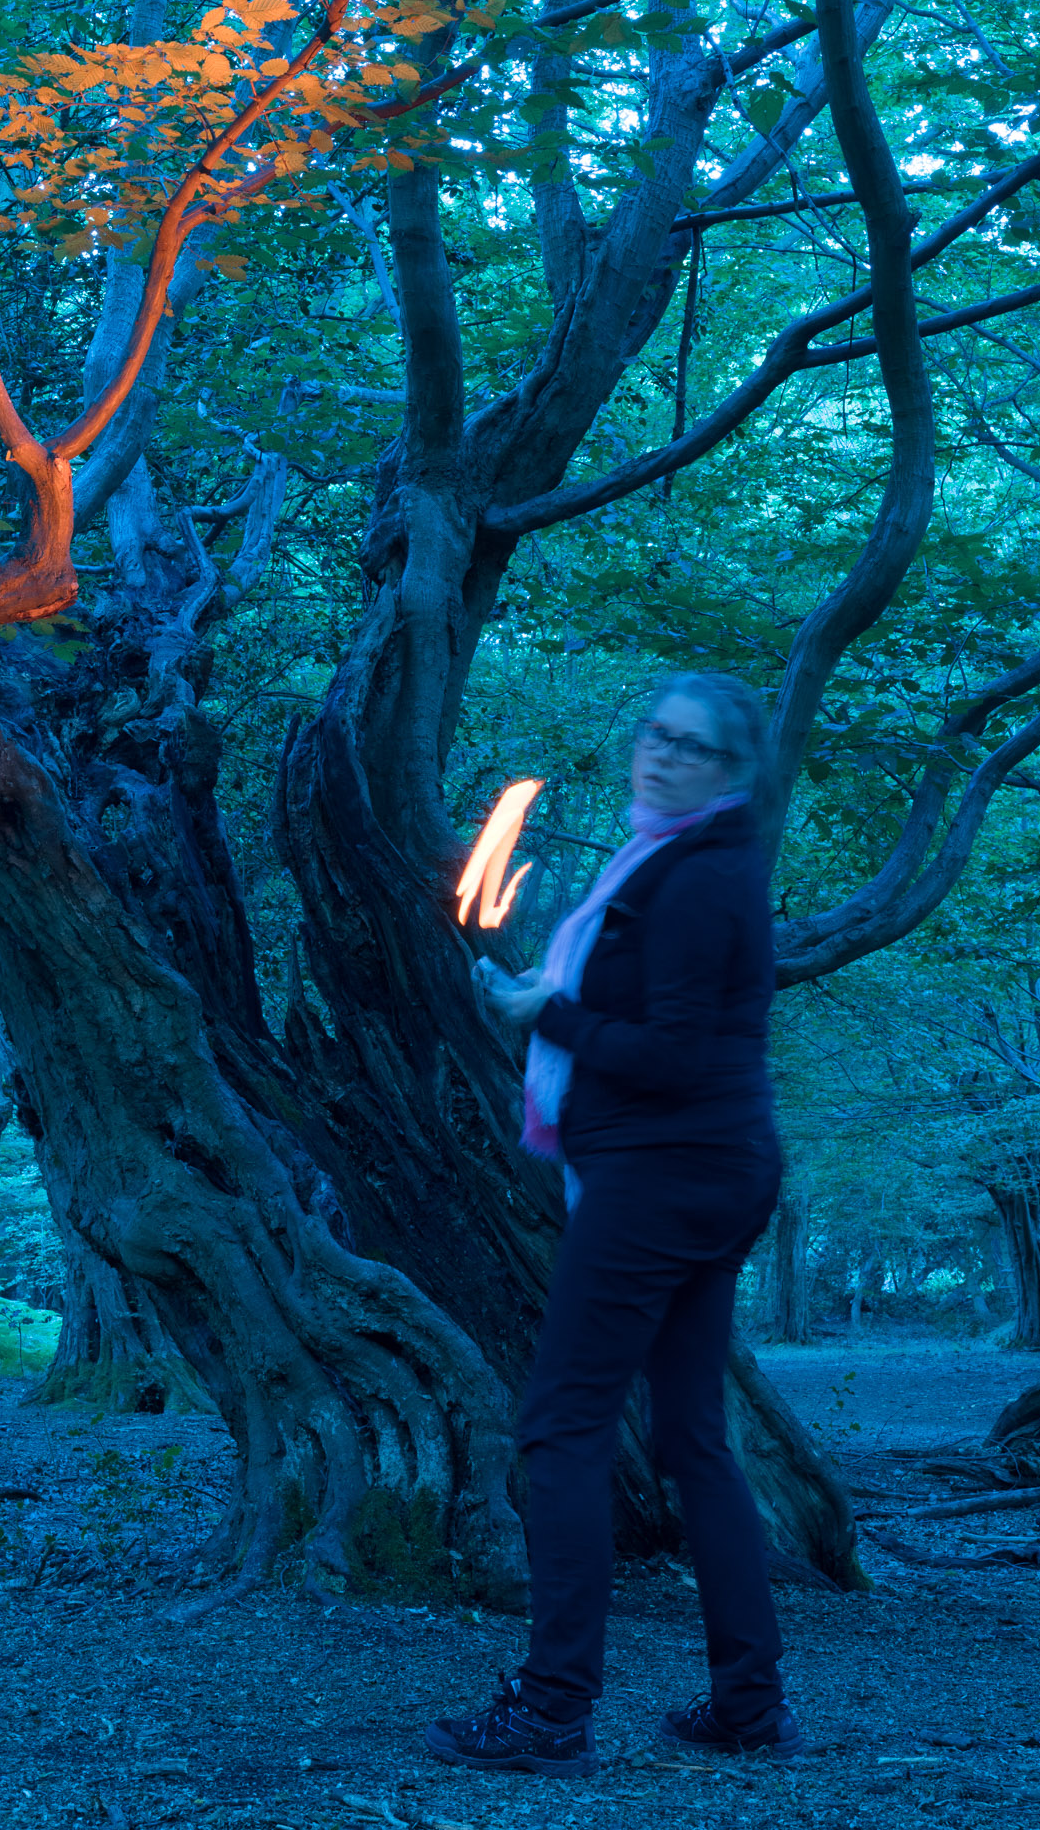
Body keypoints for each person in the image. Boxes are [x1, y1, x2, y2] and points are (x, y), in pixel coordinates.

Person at [427, 673, 805, 1779]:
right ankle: (749, 1700)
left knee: (560, 1424)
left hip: (667, 1174)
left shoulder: (698, 879)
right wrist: (555, 1002)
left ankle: (551, 1708)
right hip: (707, 1170)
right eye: (654, 733)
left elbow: (678, 1054)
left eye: (691, 747)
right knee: (690, 1434)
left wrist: (550, 1010)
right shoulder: (677, 860)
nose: (662, 756)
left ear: (730, 771)